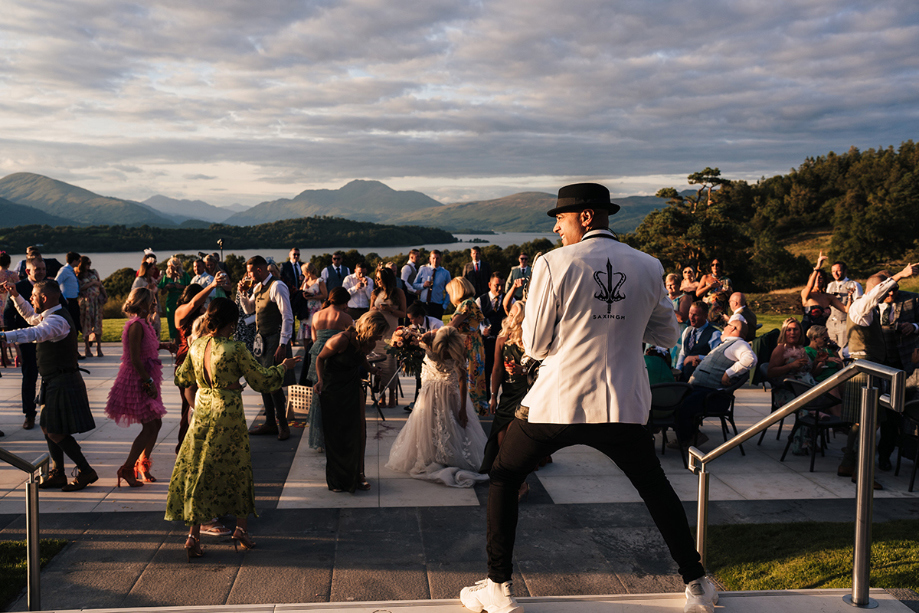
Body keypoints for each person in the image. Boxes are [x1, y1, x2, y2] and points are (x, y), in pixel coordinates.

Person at [460, 183, 714, 613]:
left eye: (561, 218)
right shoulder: (649, 265)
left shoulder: (553, 263)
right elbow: (668, 335)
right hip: (624, 404)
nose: (558, 228)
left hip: (559, 401)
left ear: (587, 216)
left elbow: (537, 345)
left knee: (504, 475)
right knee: (655, 489)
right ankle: (697, 583)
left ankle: (498, 586)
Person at [166, 298, 299, 560]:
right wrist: (283, 368)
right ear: (233, 321)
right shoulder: (235, 348)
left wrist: (210, 382)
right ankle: (241, 528)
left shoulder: (196, 345)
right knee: (237, 469)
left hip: (203, 409)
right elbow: (262, 380)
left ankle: (193, 535)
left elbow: (180, 378)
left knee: (200, 469)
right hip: (227, 414)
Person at [1, 279, 98, 491]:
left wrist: (3, 336)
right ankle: (59, 473)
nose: (31, 299)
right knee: (48, 427)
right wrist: (15, 295)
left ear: (44, 298)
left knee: (54, 431)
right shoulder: (51, 315)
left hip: (63, 381)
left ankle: (85, 470)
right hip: (54, 380)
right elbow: (31, 318)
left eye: (33, 296)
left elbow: (34, 333)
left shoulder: (56, 322)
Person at [840, 266, 919, 480]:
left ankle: (848, 463)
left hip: (868, 368)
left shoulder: (864, 309)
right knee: (869, 422)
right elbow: (875, 291)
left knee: (861, 421)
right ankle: (862, 474)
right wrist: (901, 274)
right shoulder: (863, 305)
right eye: (884, 290)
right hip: (865, 369)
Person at [386, 326, 490, 487]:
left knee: (444, 425)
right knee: (435, 425)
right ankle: (435, 455)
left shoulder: (444, 345)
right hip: (437, 392)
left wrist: (463, 408)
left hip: (442, 392)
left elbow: (462, 379)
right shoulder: (434, 341)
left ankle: (443, 455)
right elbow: (462, 380)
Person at [314, 311, 388, 493]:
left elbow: (360, 358)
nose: (380, 338)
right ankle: (337, 478)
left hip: (353, 384)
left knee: (358, 430)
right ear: (370, 329)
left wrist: (372, 370)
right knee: (337, 433)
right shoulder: (341, 339)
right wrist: (320, 380)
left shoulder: (365, 342)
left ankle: (359, 474)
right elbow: (320, 358)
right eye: (379, 333)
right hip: (333, 387)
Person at [105, 288, 173, 487]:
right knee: (151, 425)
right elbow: (134, 358)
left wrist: (164, 345)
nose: (155, 304)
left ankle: (142, 464)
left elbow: (147, 346)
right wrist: (147, 382)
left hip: (147, 376)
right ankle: (127, 468)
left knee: (156, 424)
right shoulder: (136, 325)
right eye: (152, 301)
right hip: (138, 379)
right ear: (142, 303)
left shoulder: (145, 324)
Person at [237, 255, 295, 441]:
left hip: (275, 338)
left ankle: (283, 426)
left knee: (274, 383)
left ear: (259, 270)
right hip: (261, 340)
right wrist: (242, 293)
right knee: (263, 380)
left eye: (250, 272)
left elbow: (287, 316)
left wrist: (283, 343)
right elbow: (249, 310)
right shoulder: (257, 287)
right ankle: (270, 423)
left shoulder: (277, 286)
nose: (248, 276)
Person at [675, 316, 756, 447]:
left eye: (727, 325)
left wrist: (728, 374)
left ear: (733, 328)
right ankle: (687, 436)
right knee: (674, 398)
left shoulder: (739, 344)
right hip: (703, 390)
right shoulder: (728, 344)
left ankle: (689, 438)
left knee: (681, 405)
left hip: (712, 396)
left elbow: (750, 359)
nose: (724, 328)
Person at [480, 302, 534, 487]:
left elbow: (539, 367)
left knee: (512, 439)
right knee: (501, 438)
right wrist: (493, 395)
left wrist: (523, 369)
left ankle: (519, 483)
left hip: (525, 393)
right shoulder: (502, 339)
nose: (509, 318)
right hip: (508, 394)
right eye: (509, 314)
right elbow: (496, 369)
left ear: (522, 318)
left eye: (514, 315)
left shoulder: (530, 340)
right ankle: (509, 477)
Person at [303, 287, 353, 450]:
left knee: (318, 398)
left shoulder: (317, 314)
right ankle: (334, 437)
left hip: (317, 355)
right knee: (335, 397)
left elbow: (314, 338)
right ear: (344, 302)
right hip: (334, 356)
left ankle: (319, 440)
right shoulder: (345, 317)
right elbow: (349, 340)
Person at [172, 280, 220, 453]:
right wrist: (212, 285)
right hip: (185, 363)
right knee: (188, 407)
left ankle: (197, 445)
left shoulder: (201, 314)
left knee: (201, 405)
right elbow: (193, 303)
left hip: (201, 362)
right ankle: (183, 448)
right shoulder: (180, 312)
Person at [4, 256, 45, 429]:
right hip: (26, 340)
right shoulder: (18, 288)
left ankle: (49, 412)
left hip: (47, 339)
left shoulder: (51, 286)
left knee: (49, 377)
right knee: (29, 377)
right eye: (38, 270)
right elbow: (9, 315)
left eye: (44, 269)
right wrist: (15, 342)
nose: (42, 272)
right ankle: (29, 414)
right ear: (28, 271)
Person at [446, 277, 489, 416]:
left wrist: (434, 332)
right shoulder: (469, 302)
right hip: (474, 344)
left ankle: (468, 412)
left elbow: (452, 326)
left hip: (468, 346)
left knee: (467, 378)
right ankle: (472, 410)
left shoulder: (466, 304)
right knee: (473, 379)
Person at [370, 265, 406, 408]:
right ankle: (381, 395)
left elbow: (403, 314)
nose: (377, 281)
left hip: (392, 332)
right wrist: (373, 309)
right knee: (378, 364)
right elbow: (369, 312)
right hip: (378, 332)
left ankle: (392, 394)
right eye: (376, 278)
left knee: (390, 364)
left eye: (379, 278)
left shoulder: (398, 293)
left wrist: (390, 309)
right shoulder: (375, 293)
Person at [800, 252, 849, 337]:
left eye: (820, 278)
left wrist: (850, 296)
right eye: (815, 278)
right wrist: (817, 267)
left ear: (824, 280)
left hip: (822, 333)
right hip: (807, 333)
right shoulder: (807, 294)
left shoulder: (828, 297)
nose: (817, 280)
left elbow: (846, 310)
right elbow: (809, 286)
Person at [477, 272, 507, 398]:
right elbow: (475, 321)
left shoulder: (509, 299)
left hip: (503, 342)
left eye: (502, 285)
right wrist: (482, 329)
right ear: (490, 284)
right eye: (496, 285)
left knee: (504, 372)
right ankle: (486, 399)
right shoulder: (481, 300)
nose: (499, 289)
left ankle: (504, 399)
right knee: (486, 370)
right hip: (487, 342)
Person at [675, 301, 722, 381]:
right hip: (685, 378)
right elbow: (683, 353)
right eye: (690, 313)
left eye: (695, 315)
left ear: (705, 316)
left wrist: (698, 357)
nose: (691, 317)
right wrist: (677, 372)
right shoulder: (687, 330)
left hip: (702, 380)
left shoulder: (714, 334)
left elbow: (717, 359)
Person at [826, 260, 863, 348]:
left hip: (845, 323)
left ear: (845, 271)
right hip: (831, 323)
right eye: (833, 271)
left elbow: (859, 306)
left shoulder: (854, 285)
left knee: (843, 349)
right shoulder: (830, 285)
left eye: (838, 271)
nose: (835, 274)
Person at [75, 256, 105, 358]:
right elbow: (80, 288)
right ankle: (87, 348)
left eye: (90, 263)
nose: (89, 265)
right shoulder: (78, 275)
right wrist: (92, 283)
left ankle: (99, 347)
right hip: (85, 302)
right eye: (87, 263)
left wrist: (104, 295)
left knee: (97, 324)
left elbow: (100, 284)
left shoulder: (94, 272)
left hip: (96, 301)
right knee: (86, 324)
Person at [158, 256, 190, 342]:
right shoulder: (166, 277)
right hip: (171, 301)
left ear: (177, 267)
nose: (170, 268)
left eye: (172, 266)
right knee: (171, 321)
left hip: (182, 299)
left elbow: (190, 288)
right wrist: (166, 287)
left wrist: (181, 287)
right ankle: (173, 340)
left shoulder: (184, 275)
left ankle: (183, 339)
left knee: (182, 320)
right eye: (168, 266)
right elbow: (162, 292)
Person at [413, 250, 451, 320]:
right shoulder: (423, 269)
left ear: (441, 259)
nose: (435, 260)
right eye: (433, 258)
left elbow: (449, 291)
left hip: (438, 306)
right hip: (424, 304)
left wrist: (444, 306)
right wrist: (423, 285)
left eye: (437, 258)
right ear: (430, 259)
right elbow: (414, 285)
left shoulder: (445, 273)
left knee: (436, 329)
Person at [296, 262, 327, 347]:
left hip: (315, 309)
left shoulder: (319, 281)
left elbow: (325, 295)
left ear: (308, 272)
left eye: (303, 271)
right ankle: (306, 355)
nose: (302, 273)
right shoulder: (305, 280)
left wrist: (312, 297)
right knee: (306, 336)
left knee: (315, 334)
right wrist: (303, 294)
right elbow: (300, 291)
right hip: (305, 309)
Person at [55, 251, 82, 337]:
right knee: (71, 323)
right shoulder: (64, 271)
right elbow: (56, 283)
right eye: (78, 261)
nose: (79, 263)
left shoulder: (71, 271)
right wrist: (63, 298)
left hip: (74, 300)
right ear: (74, 261)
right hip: (68, 301)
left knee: (76, 322)